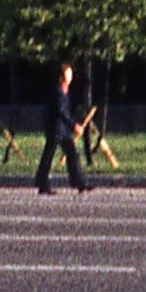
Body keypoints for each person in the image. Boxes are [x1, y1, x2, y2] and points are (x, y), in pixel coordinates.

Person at [36, 62, 89, 195]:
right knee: (48, 156)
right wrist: (74, 125)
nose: (70, 77)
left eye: (71, 74)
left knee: (72, 154)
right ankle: (42, 182)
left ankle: (79, 182)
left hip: (63, 130)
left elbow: (66, 111)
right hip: (55, 129)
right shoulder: (58, 92)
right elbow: (61, 112)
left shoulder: (65, 92)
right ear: (61, 77)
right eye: (67, 74)